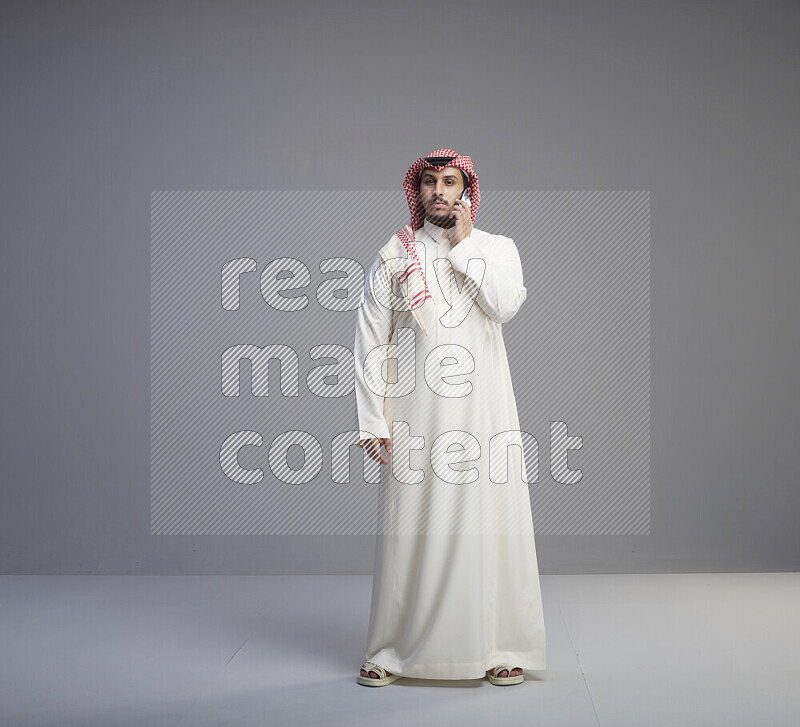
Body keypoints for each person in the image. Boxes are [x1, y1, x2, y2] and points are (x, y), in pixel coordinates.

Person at [353, 148, 546, 687]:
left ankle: (499, 647)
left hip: (484, 411)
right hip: (414, 411)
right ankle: (391, 650)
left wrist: (463, 247)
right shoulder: (395, 254)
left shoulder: (496, 248)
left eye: (450, 182)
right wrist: (373, 420)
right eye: (430, 183)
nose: (440, 191)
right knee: (408, 528)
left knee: (490, 520)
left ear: (466, 191)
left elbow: (505, 305)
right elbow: (372, 336)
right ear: (417, 192)